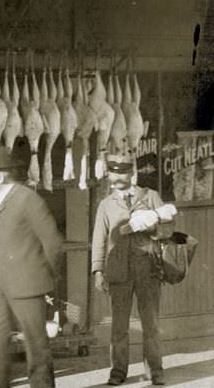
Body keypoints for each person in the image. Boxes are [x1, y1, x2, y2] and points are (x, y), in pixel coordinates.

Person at [0, 147, 62, 388]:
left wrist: (45, 279)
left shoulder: (27, 198)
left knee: (36, 346)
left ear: (1, 175)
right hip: (1, 287)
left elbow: (52, 243)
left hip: (29, 286)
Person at [91, 153, 177, 386]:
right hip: (118, 272)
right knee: (119, 327)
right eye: (114, 172)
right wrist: (98, 271)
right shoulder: (105, 205)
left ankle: (155, 371)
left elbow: (169, 228)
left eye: (123, 172)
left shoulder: (150, 196)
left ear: (131, 173)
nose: (118, 177)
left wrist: (153, 226)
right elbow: (99, 239)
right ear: (109, 174)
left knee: (151, 324)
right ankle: (118, 372)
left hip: (148, 270)